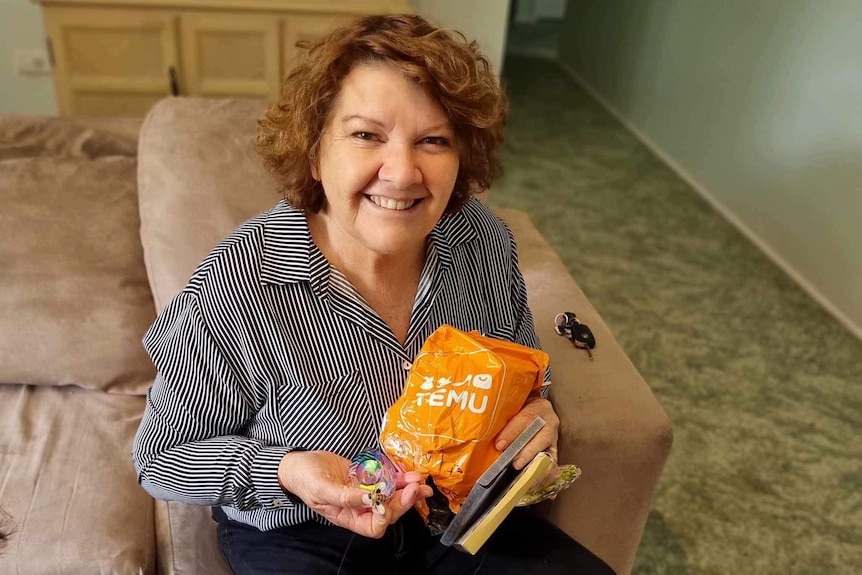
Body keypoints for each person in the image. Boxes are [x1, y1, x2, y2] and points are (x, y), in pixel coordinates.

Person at [132, 14, 613, 575]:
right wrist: (283, 472)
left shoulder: (484, 242)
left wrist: (538, 413)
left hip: (453, 512)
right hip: (305, 530)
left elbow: (527, 371)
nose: (403, 171)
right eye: (366, 135)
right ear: (314, 152)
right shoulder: (235, 282)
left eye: (434, 141)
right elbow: (159, 458)